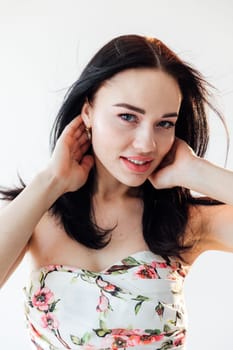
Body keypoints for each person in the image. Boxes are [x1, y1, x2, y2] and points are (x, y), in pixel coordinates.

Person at [0, 34, 232, 350]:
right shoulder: (37, 212)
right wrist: (50, 181)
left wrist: (198, 172)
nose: (147, 143)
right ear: (87, 112)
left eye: (164, 124)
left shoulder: (187, 222)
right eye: (127, 117)